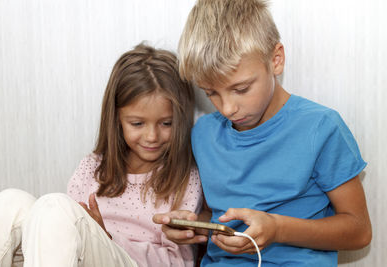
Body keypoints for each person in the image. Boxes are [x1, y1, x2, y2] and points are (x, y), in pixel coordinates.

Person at [153, 0, 372, 266]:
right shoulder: (204, 134)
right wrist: (196, 225)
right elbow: (217, 215)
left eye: (241, 89)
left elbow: (359, 231)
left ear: (276, 60)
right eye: (211, 93)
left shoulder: (320, 127)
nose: (228, 108)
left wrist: (277, 229)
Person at [0, 43, 203, 267]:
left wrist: (106, 239)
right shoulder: (92, 168)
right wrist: (90, 235)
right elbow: (57, 234)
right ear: (117, 119)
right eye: (137, 123)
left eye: (166, 123)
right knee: (11, 203)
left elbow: (179, 261)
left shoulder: (185, 177)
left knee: (56, 206)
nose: (152, 136)